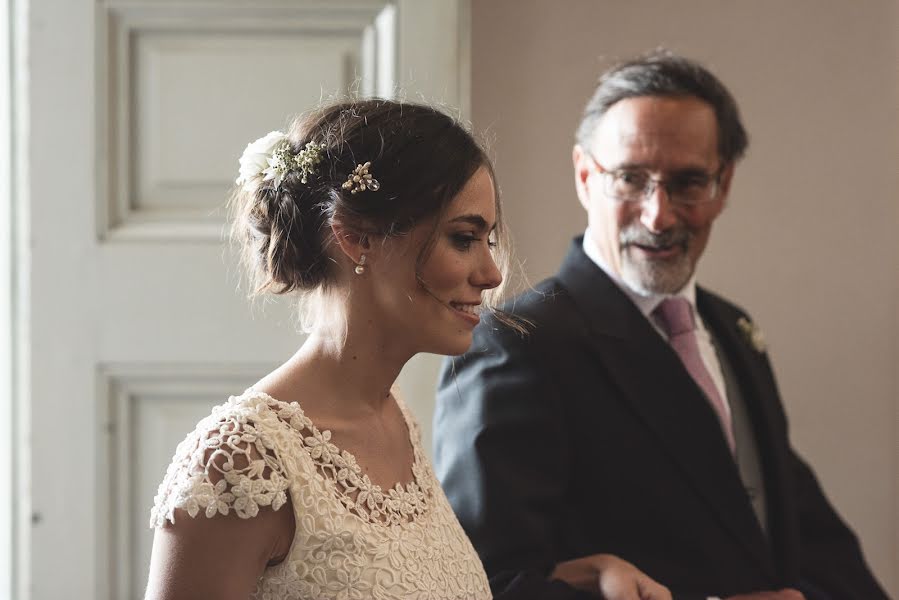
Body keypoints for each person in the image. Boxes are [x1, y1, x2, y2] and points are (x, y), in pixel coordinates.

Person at [144, 99, 671, 600]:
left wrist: (582, 573)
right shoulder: (241, 461)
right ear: (357, 238)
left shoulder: (398, 423)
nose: (490, 274)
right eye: (464, 238)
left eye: (488, 240)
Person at [433, 53, 890, 600]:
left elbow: (798, 534)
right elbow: (489, 584)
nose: (658, 215)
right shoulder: (518, 343)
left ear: (723, 186)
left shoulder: (732, 328)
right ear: (584, 175)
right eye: (630, 179)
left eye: (688, 183)